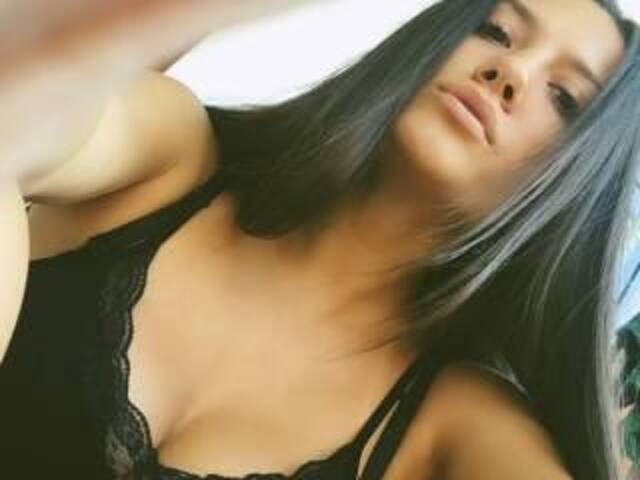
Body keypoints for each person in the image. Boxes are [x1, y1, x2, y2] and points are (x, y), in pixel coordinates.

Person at [0, 0, 638, 478]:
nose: (511, 70)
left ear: (580, 187)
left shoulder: (455, 422)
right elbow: (25, 109)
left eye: (564, 97)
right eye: (494, 30)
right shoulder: (175, 158)